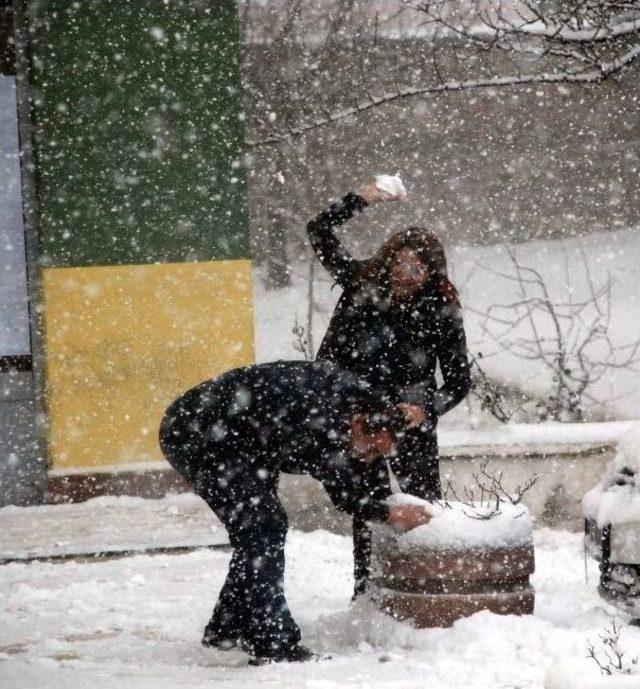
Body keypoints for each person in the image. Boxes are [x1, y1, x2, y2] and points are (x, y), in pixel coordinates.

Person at [159, 359, 430, 665]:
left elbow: (371, 453)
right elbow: (343, 493)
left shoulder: (366, 407)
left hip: (243, 438)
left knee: (261, 528)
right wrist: (388, 514)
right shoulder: (323, 419)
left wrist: (413, 411)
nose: (369, 459)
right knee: (263, 527)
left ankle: (228, 627)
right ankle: (273, 643)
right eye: (370, 449)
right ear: (357, 422)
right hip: (199, 434)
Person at [306, 183, 472, 596]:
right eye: (400, 263)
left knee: (421, 509)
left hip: (409, 419)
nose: (406, 275)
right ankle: (368, 594)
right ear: (388, 259)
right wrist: (360, 199)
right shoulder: (362, 284)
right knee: (370, 509)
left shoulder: (441, 309)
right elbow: (318, 230)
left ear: (432, 272)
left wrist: (424, 408)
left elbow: (458, 381)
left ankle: (422, 592)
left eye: (418, 269)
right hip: (356, 414)